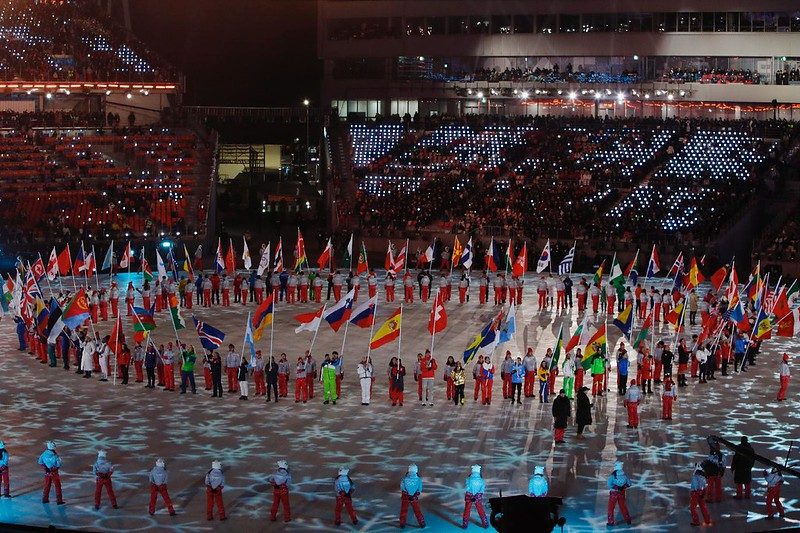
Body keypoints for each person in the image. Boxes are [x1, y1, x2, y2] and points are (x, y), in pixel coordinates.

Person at [399, 464, 425, 528]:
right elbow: (420, 489)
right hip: (414, 497)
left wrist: (406, 493)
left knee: (404, 510)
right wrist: (415, 494)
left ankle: (402, 523)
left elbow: (402, 487)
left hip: (405, 496)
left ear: (409, 470)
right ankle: (422, 522)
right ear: (416, 471)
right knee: (417, 510)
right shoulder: (418, 480)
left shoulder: (404, 479)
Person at [462, 464, 488, 529]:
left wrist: (471, 495)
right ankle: (485, 523)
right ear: (479, 471)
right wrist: (477, 495)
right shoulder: (482, 480)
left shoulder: (468, 479)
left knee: (467, 509)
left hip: (469, 495)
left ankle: (465, 523)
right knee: (480, 509)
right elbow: (482, 490)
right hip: (478, 497)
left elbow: (467, 488)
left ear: (472, 471)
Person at [607, 461, 632, 526]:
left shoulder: (612, 476)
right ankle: (628, 520)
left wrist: (615, 487)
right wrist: (623, 487)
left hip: (613, 494)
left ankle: (610, 522)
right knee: (623, 507)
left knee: (611, 508)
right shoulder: (625, 476)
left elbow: (609, 484)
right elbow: (629, 484)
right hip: (622, 493)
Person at [705, 438, 725, 503]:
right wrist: (722, 471)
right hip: (718, 473)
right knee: (718, 486)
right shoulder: (722, 455)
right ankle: (718, 498)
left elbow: (708, 462)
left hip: (711, 473)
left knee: (710, 486)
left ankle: (709, 498)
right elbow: (724, 464)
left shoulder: (711, 455)